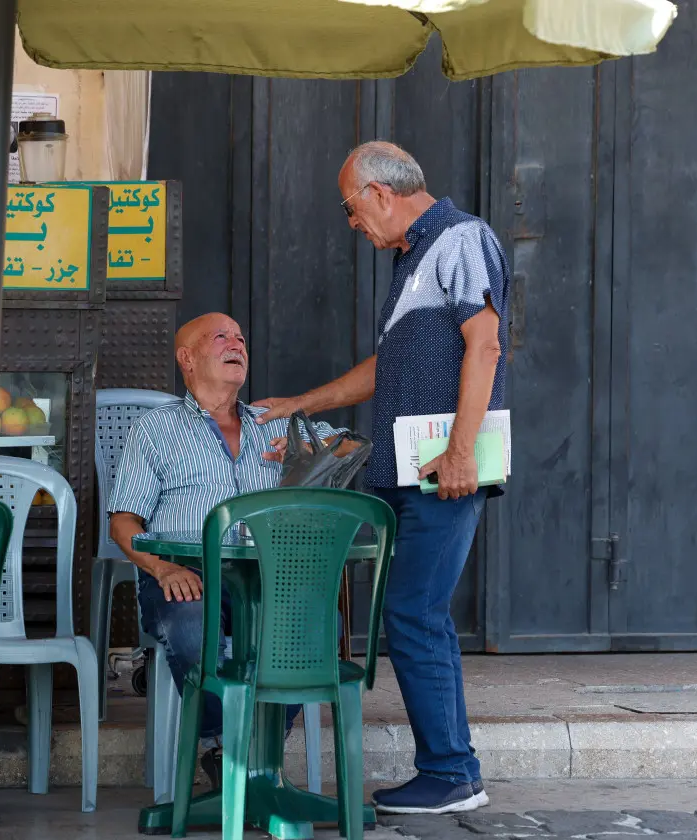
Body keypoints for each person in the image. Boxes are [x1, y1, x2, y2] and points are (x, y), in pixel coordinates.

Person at [255, 141, 510, 815]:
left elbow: (485, 344)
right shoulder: (413, 258)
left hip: (440, 471)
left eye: (350, 209)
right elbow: (387, 368)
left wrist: (460, 453)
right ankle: (453, 768)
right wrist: (300, 405)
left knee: (414, 611)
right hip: (404, 470)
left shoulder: (460, 239)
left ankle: (452, 773)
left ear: (380, 193)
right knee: (413, 611)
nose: (351, 224)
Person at [107, 312, 351, 788]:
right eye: (221, 337)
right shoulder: (155, 429)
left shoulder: (276, 422)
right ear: (188, 357)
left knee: (319, 624)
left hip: (267, 575)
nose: (237, 343)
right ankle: (227, 748)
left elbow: (350, 450)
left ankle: (256, 751)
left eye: (241, 336)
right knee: (191, 626)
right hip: (187, 570)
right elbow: (122, 522)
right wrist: (159, 568)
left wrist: (308, 457)